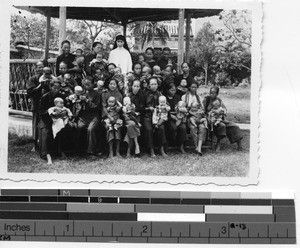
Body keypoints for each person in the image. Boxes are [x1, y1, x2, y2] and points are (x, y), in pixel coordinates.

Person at [203, 86, 243, 151]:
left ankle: (239, 145)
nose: (211, 94)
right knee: (222, 126)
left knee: (233, 126)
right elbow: (203, 110)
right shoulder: (206, 100)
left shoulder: (219, 100)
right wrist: (209, 116)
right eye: (210, 93)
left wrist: (222, 112)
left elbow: (224, 109)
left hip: (220, 118)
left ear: (217, 94)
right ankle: (218, 143)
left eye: (213, 93)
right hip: (211, 119)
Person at [38, 79, 64, 164]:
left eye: (58, 88)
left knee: (62, 129)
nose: (56, 90)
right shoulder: (45, 97)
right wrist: (51, 113)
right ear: (50, 87)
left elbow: (65, 108)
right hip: (46, 119)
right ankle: (47, 155)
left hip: (57, 119)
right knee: (46, 132)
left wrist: (61, 113)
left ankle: (60, 151)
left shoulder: (61, 97)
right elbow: (41, 112)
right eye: (54, 87)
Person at [76, 76, 101, 155]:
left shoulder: (97, 94)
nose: (86, 86)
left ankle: (91, 150)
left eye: (88, 84)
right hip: (83, 116)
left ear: (93, 84)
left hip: (93, 116)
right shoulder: (81, 92)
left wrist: (87, 101)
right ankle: (79, 150)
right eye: (85, 84)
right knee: (79, 127)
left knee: (90, 129)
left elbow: (96, 106)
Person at [143, 77, 167, 157]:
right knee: (149, 129)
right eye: (152, 84)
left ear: (157, 85)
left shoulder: (160, 94)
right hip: (147, 116)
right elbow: (141, 107)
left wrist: (161, 108)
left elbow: (166, 106)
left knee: (161, 128)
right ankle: (151, 149)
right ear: (149, 85)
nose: (154, 86)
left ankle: (161, 149)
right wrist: (148, 108)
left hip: (158, 117)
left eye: (155, 84)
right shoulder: (144, 94)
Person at [181, 81, 207, 156]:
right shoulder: (184, 97)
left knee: (202, 127)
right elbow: (182, 107)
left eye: (195, 87)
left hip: (198, 116)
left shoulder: (199, 98)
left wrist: (201, 111)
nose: (193, 89)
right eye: (192, 87)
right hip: (189, 117)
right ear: (189, 87)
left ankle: (199, 147)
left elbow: (202, 108)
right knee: (193, 128)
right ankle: (196, 146)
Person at [102, 78, 123, 158]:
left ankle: (117, 151)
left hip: (117, 116)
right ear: (108, 84)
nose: (112, 86)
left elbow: (121, 106)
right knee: (109, 130)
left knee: (118, 130)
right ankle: (111, 151)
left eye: (114, 84)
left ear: (116, 85)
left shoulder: (119, 94)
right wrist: (109, 116)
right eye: (110, 84)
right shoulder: (105, 94)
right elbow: (104, 107)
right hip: (107, 117)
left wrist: (119, 108)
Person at [26, 61, 45, 151]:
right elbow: (30, 91)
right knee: (35, 123)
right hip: (36, 104)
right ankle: (34, 144)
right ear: (36, 68)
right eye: (39, 67)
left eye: (42, 67)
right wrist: (40, 85)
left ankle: (44, 144)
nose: (40, 69)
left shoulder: (47, 78)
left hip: (45, 105)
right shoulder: (32, 79)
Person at [164, 83, 188, 153]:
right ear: (168, 90)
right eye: (171, 90)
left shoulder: (177, 97)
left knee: (183, 127)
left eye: (174, 90)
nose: (173, 92)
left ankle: (181, 146)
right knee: (172, 127)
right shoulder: (165, 98)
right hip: (169, 117)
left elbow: (182, 107)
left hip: (178, 116)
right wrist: (171, 116)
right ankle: (169, 144)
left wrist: (180, 113)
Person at [125, 79, 144, 157]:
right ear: (131, 86)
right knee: (132, 125)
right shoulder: (128, 96)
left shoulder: (142, 96)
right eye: (134, 86)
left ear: (140, 87)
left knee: (132, 126)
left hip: (137, 116)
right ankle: (136, 146)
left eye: (138, 86)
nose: (136, 88)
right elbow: (125, 108)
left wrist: (135, 110)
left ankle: (129, 150)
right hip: (128, 116)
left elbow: (142, 109)